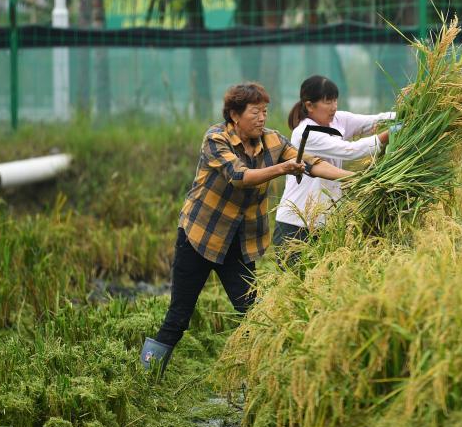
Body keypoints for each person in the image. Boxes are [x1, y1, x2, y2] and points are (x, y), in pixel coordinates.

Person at [140, 82, 351, 375]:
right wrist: (281, 169)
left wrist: (352, 177)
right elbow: (239, 176)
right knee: (178, 317)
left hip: (238, 245)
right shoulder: (216, 138)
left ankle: (259, 375)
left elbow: (311, 164)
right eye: (256, 112)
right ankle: (146, 377)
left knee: (255, 314)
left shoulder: (273, 141)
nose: (262, 118)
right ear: (235, 115)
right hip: (199, 238)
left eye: (265, 111)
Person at [274, 74, 397, 245]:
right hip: (297, 223)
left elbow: (374, 121)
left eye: (335, 101)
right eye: (327, 102)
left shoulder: (338, 120)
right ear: (309, 105)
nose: (333, 107)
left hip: (326, 222)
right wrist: (387, 135)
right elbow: (351, 151)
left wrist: (405, 114)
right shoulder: (306, 133)